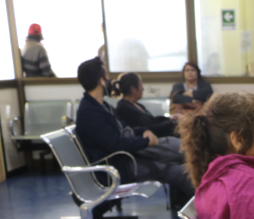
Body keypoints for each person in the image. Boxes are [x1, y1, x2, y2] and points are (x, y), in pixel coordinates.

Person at [75, 57, 194, 209]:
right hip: (118, 167)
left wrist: (144, 131)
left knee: (184, 161)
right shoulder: (90, 112)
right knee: (181, 172)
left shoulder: (100, 106)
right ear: (101, 81)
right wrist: (146, 141)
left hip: (127, 159)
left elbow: (123, 129)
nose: (110, 80)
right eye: (107, 76)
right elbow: (115, 143)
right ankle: (206, 213)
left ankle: (200, 208)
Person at [114, 72, 179, 138]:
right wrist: (172, 123)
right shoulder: (123, 109)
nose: (143, 88)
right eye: (140, 85)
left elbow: (153, 120)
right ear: (133, 89)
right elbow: (148, 129)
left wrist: (171, 118)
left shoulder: (137, 105)